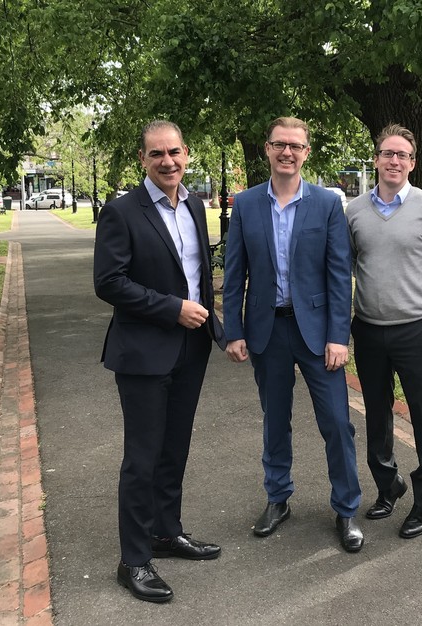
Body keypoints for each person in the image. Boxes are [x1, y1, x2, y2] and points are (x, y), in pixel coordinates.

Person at [94, 120, 227, 603]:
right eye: (157, 154)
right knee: (142, 457)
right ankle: (133, 559)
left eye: (174, 152)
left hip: (191, 349)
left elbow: (197, 272)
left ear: (187, 154)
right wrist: (173, 309)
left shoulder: (194, 204)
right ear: (142, 160)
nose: (167, 161)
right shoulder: (122, 211)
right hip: (143, 353)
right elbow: (109, 282)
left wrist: (211, 320)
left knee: (175, 449)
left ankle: (166, 532)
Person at [223, 116, 364, 553]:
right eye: (279, 144)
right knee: (274, 421)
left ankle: (346, 508)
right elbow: (234, 273)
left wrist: (339, 336)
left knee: (338, 423)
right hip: (268, 331)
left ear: (306, 152)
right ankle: (278, 498)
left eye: (295, 146)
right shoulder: (245, 204)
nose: (287, 152)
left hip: (320, 334)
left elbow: (340, 275)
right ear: (267, 149)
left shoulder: (326, 204)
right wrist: (233, 330)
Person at [346, 124, 422, 539]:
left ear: (412, 162)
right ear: (376, 159)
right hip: (369, 331)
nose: (394, 161)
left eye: (402, 155)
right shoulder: (355, 211)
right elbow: (345, 266)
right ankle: (387, 485)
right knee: (376, 415)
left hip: (416, 331)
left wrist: (419, 299)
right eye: (387, 153)